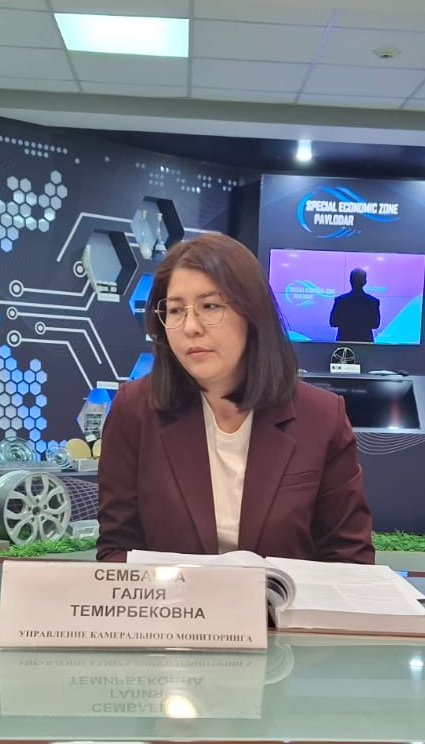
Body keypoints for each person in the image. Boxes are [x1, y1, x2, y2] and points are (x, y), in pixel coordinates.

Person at [97, 232, 374, 563]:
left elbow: (349, 557)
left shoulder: (322, 417)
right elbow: (117, 549)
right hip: (172, 597)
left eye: (210, 306)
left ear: (252, 313)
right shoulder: (134, 409)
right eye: (175, 310)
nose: (190, 327)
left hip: (286, 599)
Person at [329, 267, 381, 344]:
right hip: (366, 343)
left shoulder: (340, 300)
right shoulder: (373, 302)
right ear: (365, 282)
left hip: (344, 343)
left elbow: (333, 323)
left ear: (350, 281)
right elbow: (375, 325)